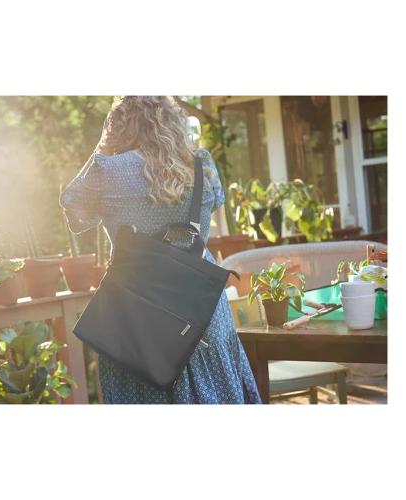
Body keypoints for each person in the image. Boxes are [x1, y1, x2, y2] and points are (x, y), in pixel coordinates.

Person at [59, 96, 261, 404]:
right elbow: (215, 203)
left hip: (133, 315)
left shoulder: (107, 171)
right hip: (200, 312)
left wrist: (102, 147)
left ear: (119, 125)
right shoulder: (201, 165)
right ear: (173, 121)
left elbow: (73, 211)